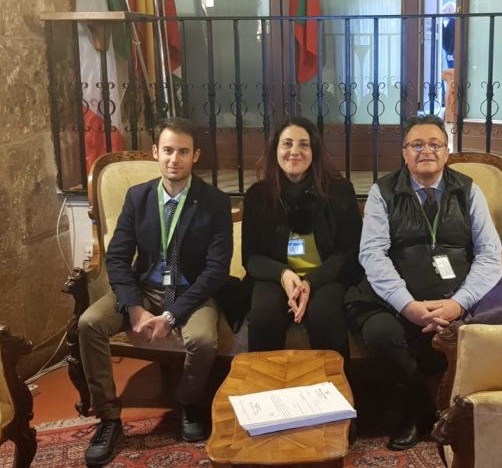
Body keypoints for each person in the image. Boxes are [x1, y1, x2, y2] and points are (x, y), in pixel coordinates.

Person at [344, 114, 502, 451]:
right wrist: (408, 305)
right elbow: (372, 255)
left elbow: (490, 254)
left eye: (435, 144)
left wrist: (458, 303)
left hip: (456, 295)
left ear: (447, 152)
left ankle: (475, 410)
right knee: (380, 333)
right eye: (417, 144)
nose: (426, 151)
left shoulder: (468, 191)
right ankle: (417, 410)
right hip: (394, 298)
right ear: (404, 153)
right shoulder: (382, 192)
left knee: (475, 330)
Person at [77, 118, 233, 466]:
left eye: (183, 151)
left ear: (195, 156)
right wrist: (133, 307)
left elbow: (217, 269)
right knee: (89, 323)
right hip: (144, 288)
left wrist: (172, 315)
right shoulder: (138, 197)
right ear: (155, 153)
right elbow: (117, 258)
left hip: (192, 292)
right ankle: (108, 417)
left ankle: (187, 403)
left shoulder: (214, 201)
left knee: (203, 340)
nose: (174, 159)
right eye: (168, 150)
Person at [241, 116, 362, 358]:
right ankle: (265, 380)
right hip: (276, 276)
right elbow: (251, 257)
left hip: (326, 276)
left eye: (303, 144)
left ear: (314, 150)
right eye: (287, 144)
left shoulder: (339, 191)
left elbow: (349, 252)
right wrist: (284, 274)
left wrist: (310, 282)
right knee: (265, 314)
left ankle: (332, 382)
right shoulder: (258, 195)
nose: (295, 151)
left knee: (324, 314)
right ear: (275, 150)